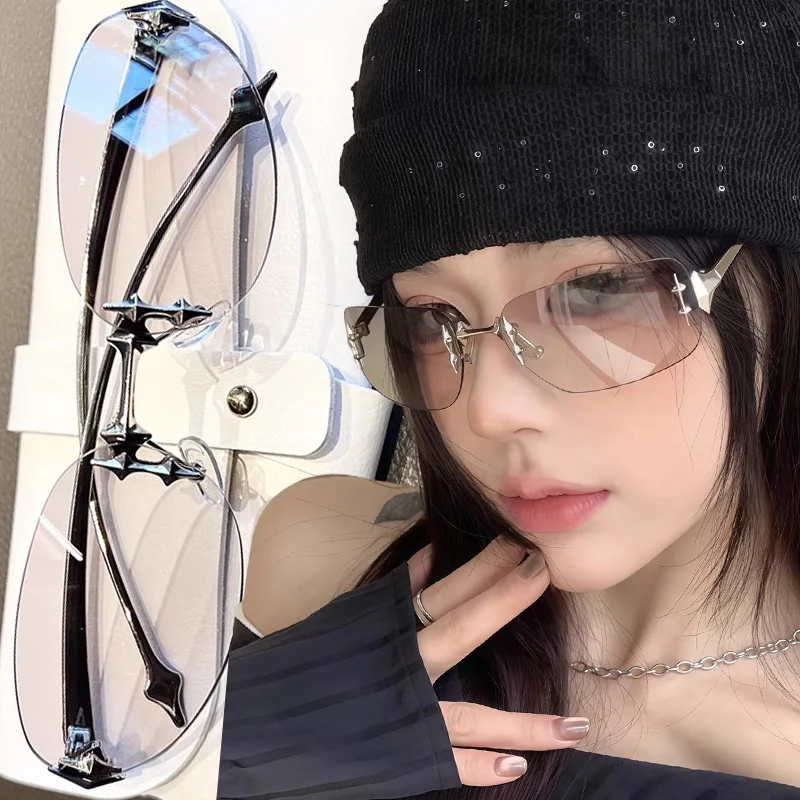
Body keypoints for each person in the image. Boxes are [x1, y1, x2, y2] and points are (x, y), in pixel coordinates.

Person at [216, 1, 800, 798]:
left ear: (776, 293)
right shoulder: (316, 555)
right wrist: (222, 748)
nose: (487, 410)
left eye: (597, 292)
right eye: (432, 318)